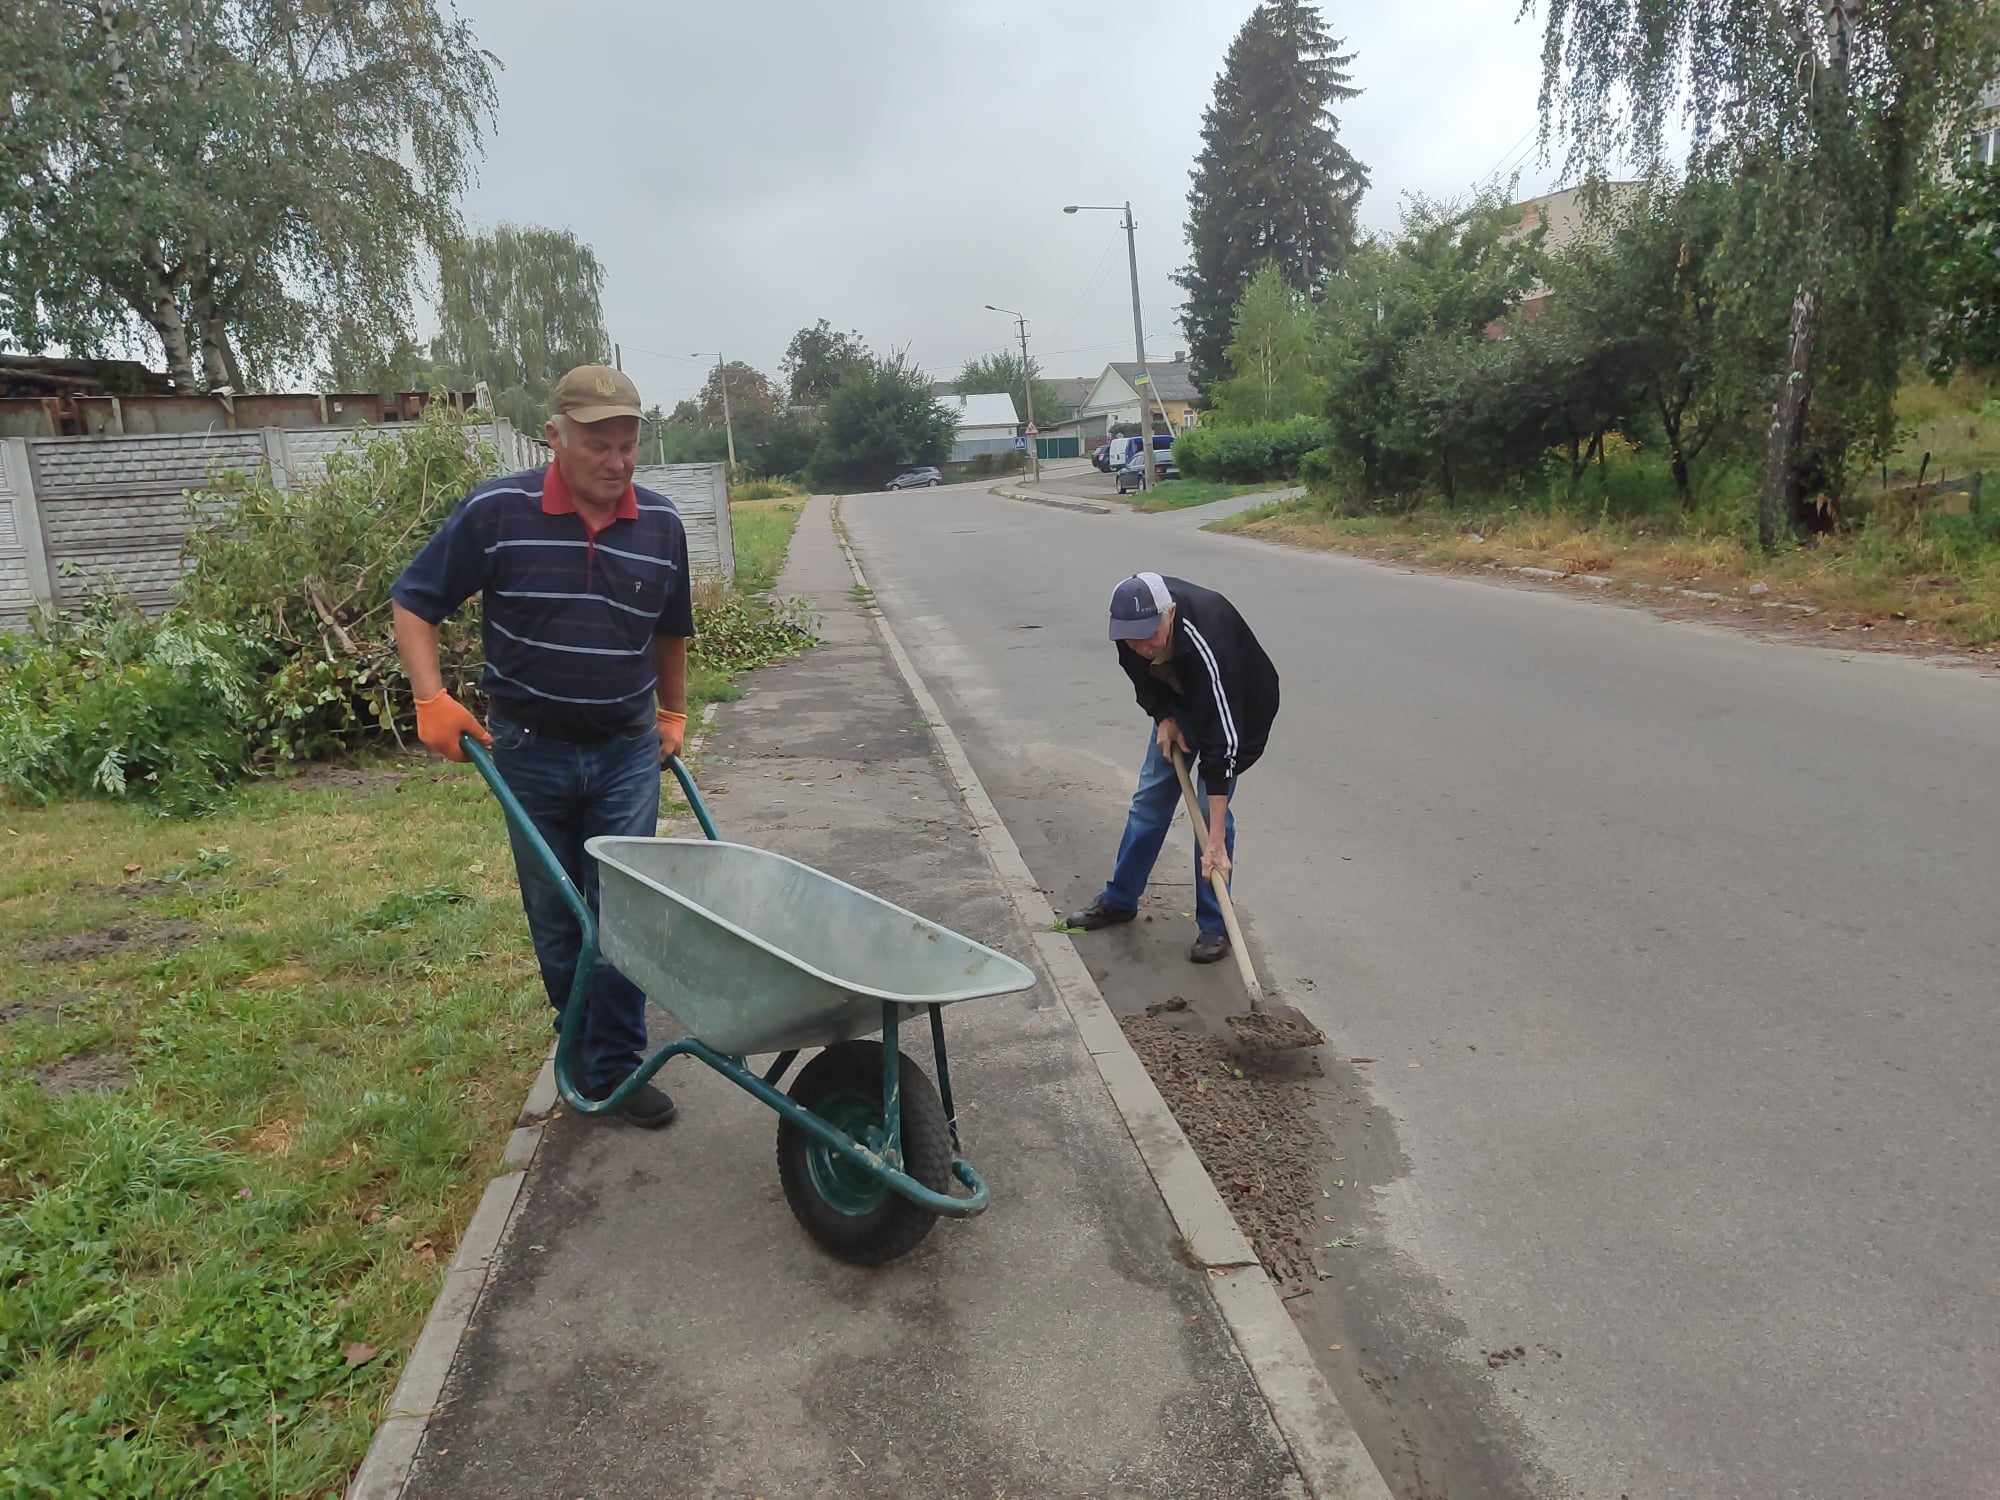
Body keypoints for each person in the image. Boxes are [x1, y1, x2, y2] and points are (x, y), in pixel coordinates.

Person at [390, 365, 691, 1128]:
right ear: (554, 436)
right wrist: (430, 698)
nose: (617, 462)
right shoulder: (498, 512)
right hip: (531, 751)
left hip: (626, 751)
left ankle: (615, 1068)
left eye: (628, 445)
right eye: (599, 445)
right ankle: (580, 1043)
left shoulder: (661, 524)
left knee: (619, 912)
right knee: (559, 919)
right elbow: (415, 602)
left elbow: (670, 631)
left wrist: (673, 713)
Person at [1067, 572, 1279, 963]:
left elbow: (1222, 745)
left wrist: (1215, 839)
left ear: (1171, 613)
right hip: (1179, 702)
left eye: (1150, 635)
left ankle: (1214, 926)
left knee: (1210, 818)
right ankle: (1120, 899)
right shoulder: (1130, 635)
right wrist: (1163, 714)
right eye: (1133, 639)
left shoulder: (1208, 640)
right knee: (1150, 801)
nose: (1143, 646)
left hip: (1238, 711)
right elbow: (1142, 677)